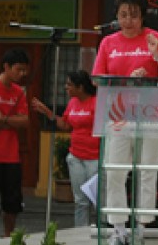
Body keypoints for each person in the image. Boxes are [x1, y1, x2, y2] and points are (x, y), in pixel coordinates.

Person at [92, 0, 158, 245]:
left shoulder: (156, 38)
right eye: (123, 15)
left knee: (147, 170)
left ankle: (141, 227)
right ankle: (118, 228)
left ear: (143, 16)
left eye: (133, 15)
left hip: (153, 113)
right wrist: (124, 81)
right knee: (116, 171)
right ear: (116, 16)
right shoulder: (108, 42)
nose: (128, 21)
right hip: (118, 115)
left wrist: (157, 56)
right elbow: (97, 80)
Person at [30, 70, 99, 227]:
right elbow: (66, 125)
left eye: (69, 85)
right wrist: (47, 112)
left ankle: (101, 233)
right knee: (80, 200)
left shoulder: (96, 102)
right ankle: (80, 235)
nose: (66, 88)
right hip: (76, 157)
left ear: (80, 87)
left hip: (95, 158)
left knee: (98, 200)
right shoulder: (73, 103)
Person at [0, 48, 30, 238]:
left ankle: (9, 239)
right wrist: (11, 119)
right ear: (6, 67)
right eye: (19, 69)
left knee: (12, 205)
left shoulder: (19, 91)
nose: (22, 74)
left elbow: (25, 121)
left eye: (25, 71)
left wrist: (5, 120)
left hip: (12, 157)